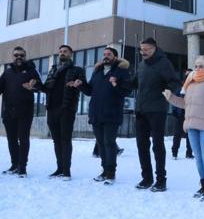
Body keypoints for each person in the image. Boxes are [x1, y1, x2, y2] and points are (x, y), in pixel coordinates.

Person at [164, 55, 204, 201]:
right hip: (191, 124)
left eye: (201, 66)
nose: (198, 69)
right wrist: (171, 98)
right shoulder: (190, 84)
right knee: (198, 158)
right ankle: (203, 186)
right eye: (196, 66)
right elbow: (184, 104)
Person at [126, 38, 180, 192]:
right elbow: (134, 83)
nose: (142, 52)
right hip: (141, 110)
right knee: (141, 145)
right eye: (141, 49)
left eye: (146, 49)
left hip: (157, 109)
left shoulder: (164, 63)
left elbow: (175, 82)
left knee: (157, 145)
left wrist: (169, 92)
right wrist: (120, 82)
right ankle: (147, 178)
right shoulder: (142, 65)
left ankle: (161, 180)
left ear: (154, 49)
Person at [73, 47, 130, 185]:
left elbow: (126, 92)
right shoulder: (97, 71)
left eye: (109, 54)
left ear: (115, 57)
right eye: (104, 54)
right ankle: (104, 171)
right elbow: (90, 91)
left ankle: (111, 173)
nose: (106, 56)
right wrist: (81, 85)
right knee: (101, 144)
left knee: (109, 143)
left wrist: (115, 84)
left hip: (112, 114)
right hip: (96, 113)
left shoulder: (122, 71)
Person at [40, 45, 86, 181]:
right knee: (56, 140)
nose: (62, 53)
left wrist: (79, 83)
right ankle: (59, 168)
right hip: (51, 108)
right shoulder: (53, 69)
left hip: (67, 109)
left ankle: (66, 171)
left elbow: (84, 86)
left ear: (71, 54)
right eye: (60, 51)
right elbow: (46, 88)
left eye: (65, 51)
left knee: (65, 140)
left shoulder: (77, 70)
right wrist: (36, 85)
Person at [0, 47, 42, 177]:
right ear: (12, 57)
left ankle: (22, 167)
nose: (19, 57)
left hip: (25, 112)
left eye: (21, 55)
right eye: (16, 55)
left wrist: (34, 85)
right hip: (8, 112)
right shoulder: (7, 73)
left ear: (25, 56)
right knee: (11, 140)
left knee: (23, 139)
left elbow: (40, 86)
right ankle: (14, 165)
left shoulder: (31, 70)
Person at [171, 69, 193, 160]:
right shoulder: (180, 87)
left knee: (190, 135)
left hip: (190, 114)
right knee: (177, 134)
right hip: (180, 114)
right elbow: (175, 99)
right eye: (186, 74)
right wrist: (175, 111)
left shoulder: (194, 88)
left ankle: (189, 153)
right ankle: (174, 153)